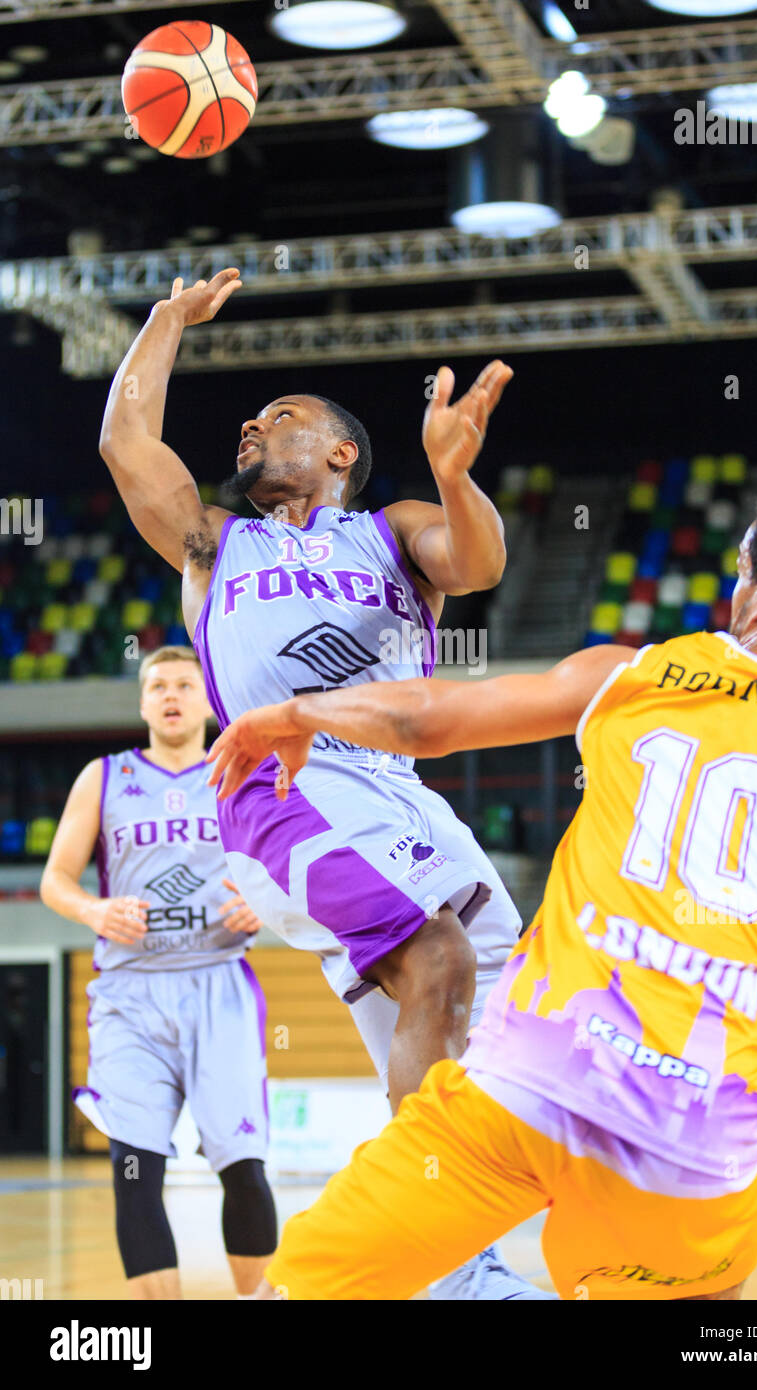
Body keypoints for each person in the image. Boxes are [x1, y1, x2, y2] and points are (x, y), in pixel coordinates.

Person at [206, 474, 757, 1301]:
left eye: (738, 570)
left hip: (534, 1083)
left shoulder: (635, 674)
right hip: (695, 1137)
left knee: (295, 1291)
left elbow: (427, 720)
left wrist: (297, 714)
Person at [97, 268, 551, 1299]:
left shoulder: (390, 528)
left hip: (395, 789)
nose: (254, 424)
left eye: (283, 417)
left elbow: (474, 561)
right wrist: (167, 320)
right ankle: (446, 1258)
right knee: (433, 957)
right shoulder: (218, 539)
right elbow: (127, 444)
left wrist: (452, 474)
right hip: (277, 779)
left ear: (339, 453)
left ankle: (436, 1245)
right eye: (253, 419)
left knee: (513, 1012)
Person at [41, 646, 277, 1300]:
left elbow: (289, 871)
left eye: (183, 684)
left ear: (207, 700)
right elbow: (54, 880)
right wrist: (94, 908)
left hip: (219, 981)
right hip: (129, 996)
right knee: (135, 1168)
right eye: (157, 686)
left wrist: (265, 902)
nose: (171, 695)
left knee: (244, 1168)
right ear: (143, 703)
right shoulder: (105, 777)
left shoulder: (243, 773)